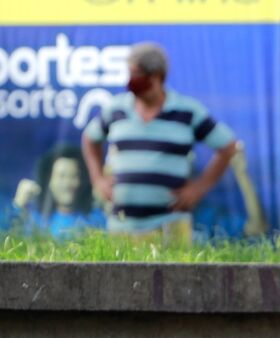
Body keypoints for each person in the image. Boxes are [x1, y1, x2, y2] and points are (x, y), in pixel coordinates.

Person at [81, 42, 237, 241]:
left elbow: (228, 146)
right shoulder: (115, 109)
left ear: (157, 77)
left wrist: (199, 188)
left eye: (136, 77)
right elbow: (89, 138)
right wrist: (98, 180)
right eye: (129, 75)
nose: (130, 83)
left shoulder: (187, 111)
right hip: (122, 228)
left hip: (171, 227)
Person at [11, 144, 106, 236]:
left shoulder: (95, 220)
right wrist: (18, 205)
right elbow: (9, 239)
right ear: (49, 181)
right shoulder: (35, 221)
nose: (67, 184)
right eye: (61, 176)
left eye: (74, 176)